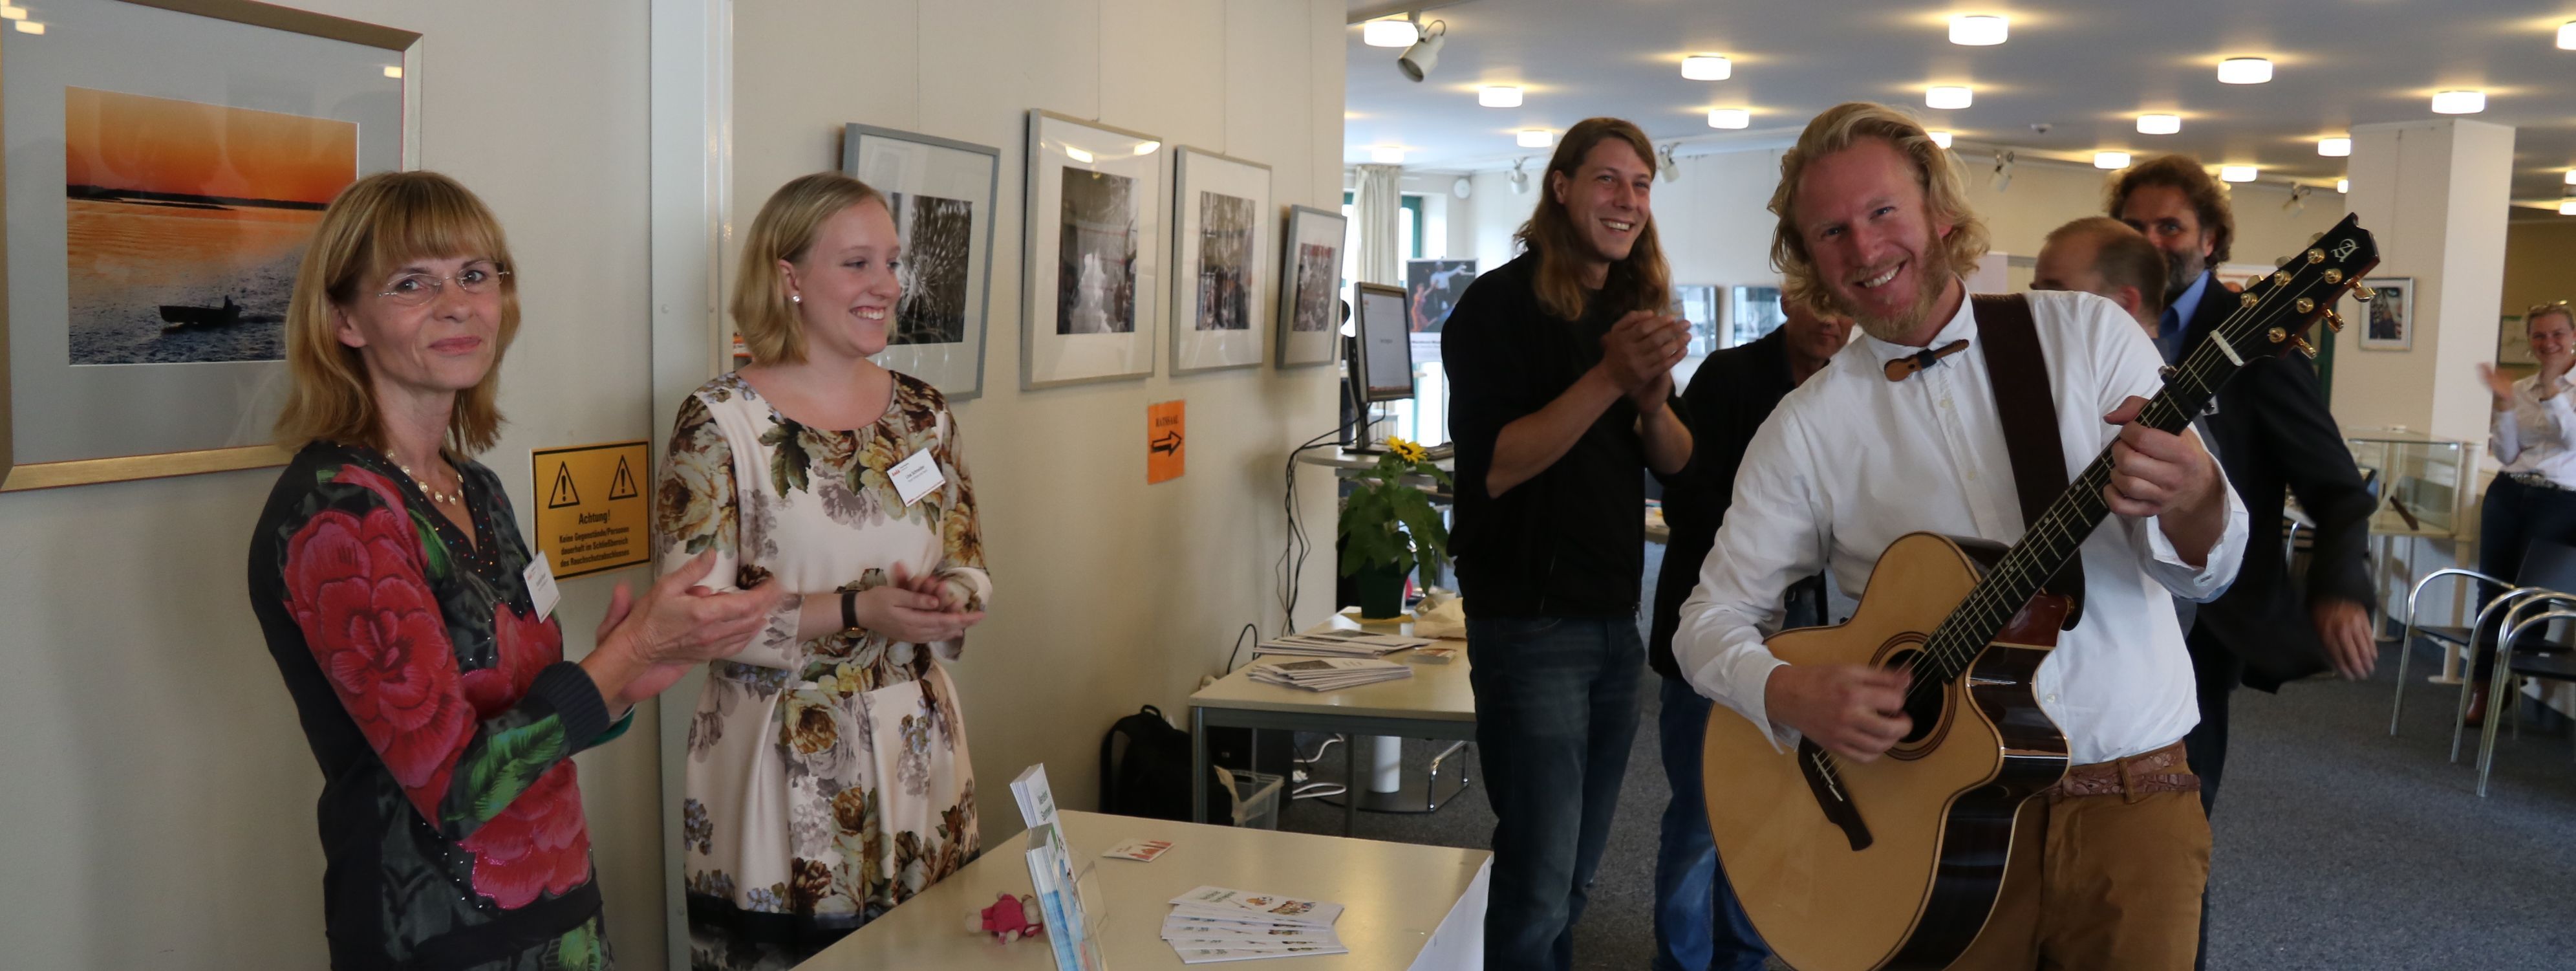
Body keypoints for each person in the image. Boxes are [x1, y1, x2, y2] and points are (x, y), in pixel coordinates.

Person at [1675, 102, 2248, 970]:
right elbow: (1707, 621)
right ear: (1807, 259)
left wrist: (2197, 493)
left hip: (2133, 802)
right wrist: (1788, 692)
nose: (1864, 250)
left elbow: (2210, 570)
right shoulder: (1807, 427)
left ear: (1939, 214)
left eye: (1881, 213)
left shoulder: (2087, 335)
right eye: (1831, 231)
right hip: (1933, 830)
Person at [247, 170, 783, 970]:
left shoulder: (476, 487)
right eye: (411, 284)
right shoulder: (338, 517)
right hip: (439, 942)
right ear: (344, 321)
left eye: (475, 275)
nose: (458, 303)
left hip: (559, 915)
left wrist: (629, 680)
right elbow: (458, 787)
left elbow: (524, 718)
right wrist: (621, 656)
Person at [659, 171, 993, 970]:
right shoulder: (721, 423)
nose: (885, 286)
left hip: (920, 743)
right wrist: (857, 610)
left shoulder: (924, 413)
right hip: (785, 753)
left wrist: (949, 599)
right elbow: (691, 618)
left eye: (891, 262)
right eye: (856, 264)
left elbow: (969, 558)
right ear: (789, 278)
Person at [1442, 116, 1693, 971]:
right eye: (1608, 179)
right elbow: (1497, 468)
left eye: (1642, 184)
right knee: (1541, 879)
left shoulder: (1627, 307)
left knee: (1580, 876)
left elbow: (1678, 464)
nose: (1628, 200)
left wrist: (1654, 400)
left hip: (1612, 621)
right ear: (1561, 187)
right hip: (1527, 623)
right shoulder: (1496, 309)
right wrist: (1609, 378)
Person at [2107, 162, 2379, 821]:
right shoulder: (2098, 325)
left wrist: (2341, 588)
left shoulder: (2264, 345)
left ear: (2210, 240)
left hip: (2204, 620)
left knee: (2175, 815)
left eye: (2170, 226)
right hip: (2098, 601)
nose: (2150, 241)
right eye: (2134, 226)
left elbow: (2338, 488)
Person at [1642, 298, 1847, 971]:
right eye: (1819, 301)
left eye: (1847, 308)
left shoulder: (1857, 385)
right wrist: (1777, 521)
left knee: (1774, 815)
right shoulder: (1730, 378)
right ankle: (1680, 960)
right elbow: (1685, 498)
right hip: (1713, 627)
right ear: (1788, 299)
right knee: (1702, 817)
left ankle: (1742, 957)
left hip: (1807, 635)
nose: (1834, 320)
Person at [2468, 301, 2576, 723]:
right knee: (2490, 590)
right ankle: (2483, 684)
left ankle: (2509, 677)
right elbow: (2509, 451)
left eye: (2557, 334)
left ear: (2573, 336)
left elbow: (2572, 441)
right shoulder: (2524, 385)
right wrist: (2504, 403)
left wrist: (2552, 390)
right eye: (2539, 335)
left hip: (2561, 500)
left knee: (2529, 597)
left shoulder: (2550, 386)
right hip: (2509, 492)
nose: (2548, 342)